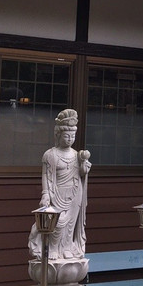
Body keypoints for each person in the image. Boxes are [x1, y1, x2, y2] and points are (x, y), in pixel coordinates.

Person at [28, 109, 91, 260]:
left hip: (75, 192)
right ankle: (53, 248)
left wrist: (84, 166)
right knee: (57, 222)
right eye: (66, 136)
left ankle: (67, 248)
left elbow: (81, 174)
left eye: (72, 136)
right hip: (57, 192)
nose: (70, 139)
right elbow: (46, 175)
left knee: (70, 224)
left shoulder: (76, 155)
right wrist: (45, 194)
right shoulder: (50, 155)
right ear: (58, 135)